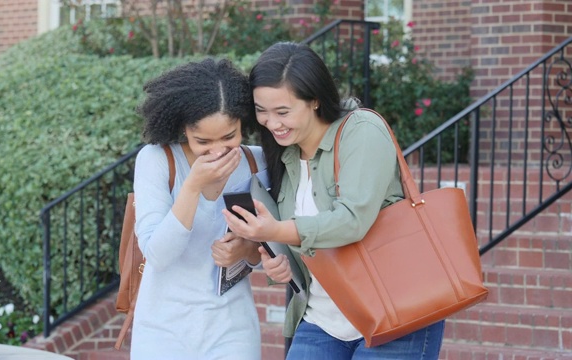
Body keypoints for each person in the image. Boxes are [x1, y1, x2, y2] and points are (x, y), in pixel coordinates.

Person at [223, 41, 445, 359]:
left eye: (282, 112)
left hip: (396, 315)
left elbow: (351, 220)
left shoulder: (362, 131)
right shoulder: (283, 155)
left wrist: (275, 231)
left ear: (314, 100)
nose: (271, 123)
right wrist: (281, 262)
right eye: (261, 111)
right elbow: (299, 241)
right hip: (322, 320)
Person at [131, 58, 264, 360]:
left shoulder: (258, 164)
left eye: (229, 137)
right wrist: (192, 186)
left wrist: (245, 249)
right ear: (182, 129)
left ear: (244, 122)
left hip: (233, 330)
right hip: (161, 332)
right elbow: (158, 255)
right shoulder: (156, 161)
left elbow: (271, 251)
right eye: (202, 141)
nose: (217, 150)